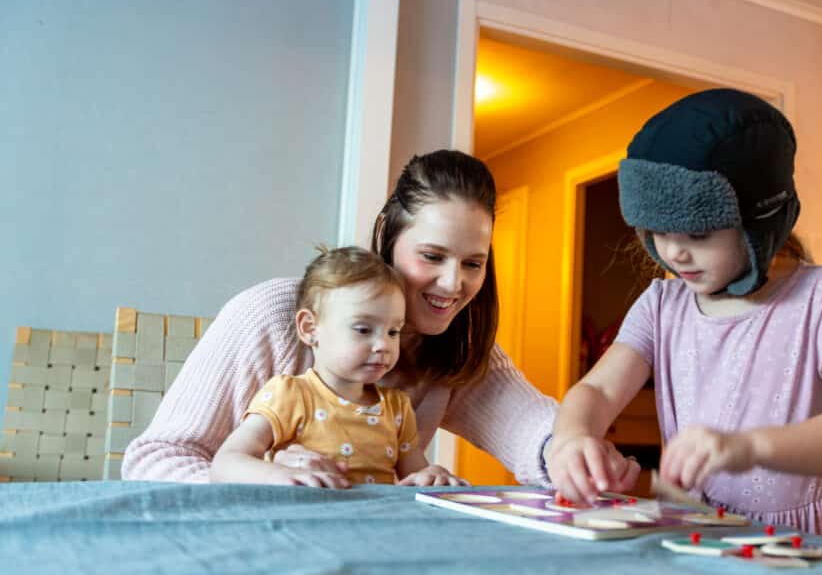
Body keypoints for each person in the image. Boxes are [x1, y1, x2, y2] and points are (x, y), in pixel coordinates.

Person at [122, 150, 640, 490]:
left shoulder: (456, 350)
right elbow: (153, 461)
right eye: (432, 256)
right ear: (389, 239)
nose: (453, 283)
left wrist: (575, 450)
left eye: (473, 263)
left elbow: (531, 426)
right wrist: (262, 476)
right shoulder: (271, 316)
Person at [547, 89, 822, 541]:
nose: (674, 251)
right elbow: (597, 389)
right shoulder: (660, 305)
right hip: (697, 531)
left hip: (806, 543)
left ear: (759, 222)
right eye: (658, 232)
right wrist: (571, 437)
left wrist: (749, 447)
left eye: (698, 233)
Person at [210, 246, 465, 487]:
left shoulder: (397, 408)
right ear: (310, 328)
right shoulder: (289, 395)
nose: (384, 345)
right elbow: (225, 463)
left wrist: (431, 476)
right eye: (363, 329)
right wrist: (278, 475)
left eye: (393, 331)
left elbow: (415, 477)